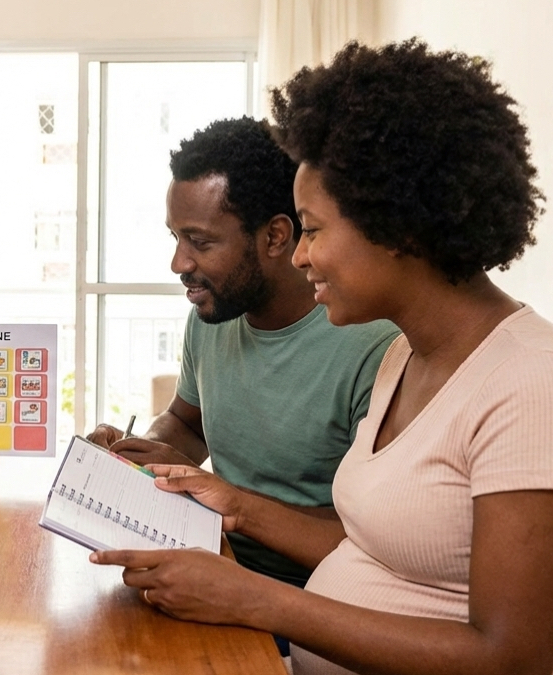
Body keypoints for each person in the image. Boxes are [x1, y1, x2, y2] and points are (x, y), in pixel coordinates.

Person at [92, 40, 553, 675]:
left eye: (312, 230)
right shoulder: (407, 358)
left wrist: (260, 602)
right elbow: (368, 547)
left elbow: (514, 657)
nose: (301, 257)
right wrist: (233, 503)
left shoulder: (530, 383)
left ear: (397, 227)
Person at [87, 116, 398, 591]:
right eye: (176, 237)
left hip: (309, 598)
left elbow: (372, 541)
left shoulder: (372, 348)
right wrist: (141, 457)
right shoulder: (214, 313)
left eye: (201, 241)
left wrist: (229, 501)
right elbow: (187, 423)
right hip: (211, 559)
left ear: (275, 237)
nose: (179, 263)